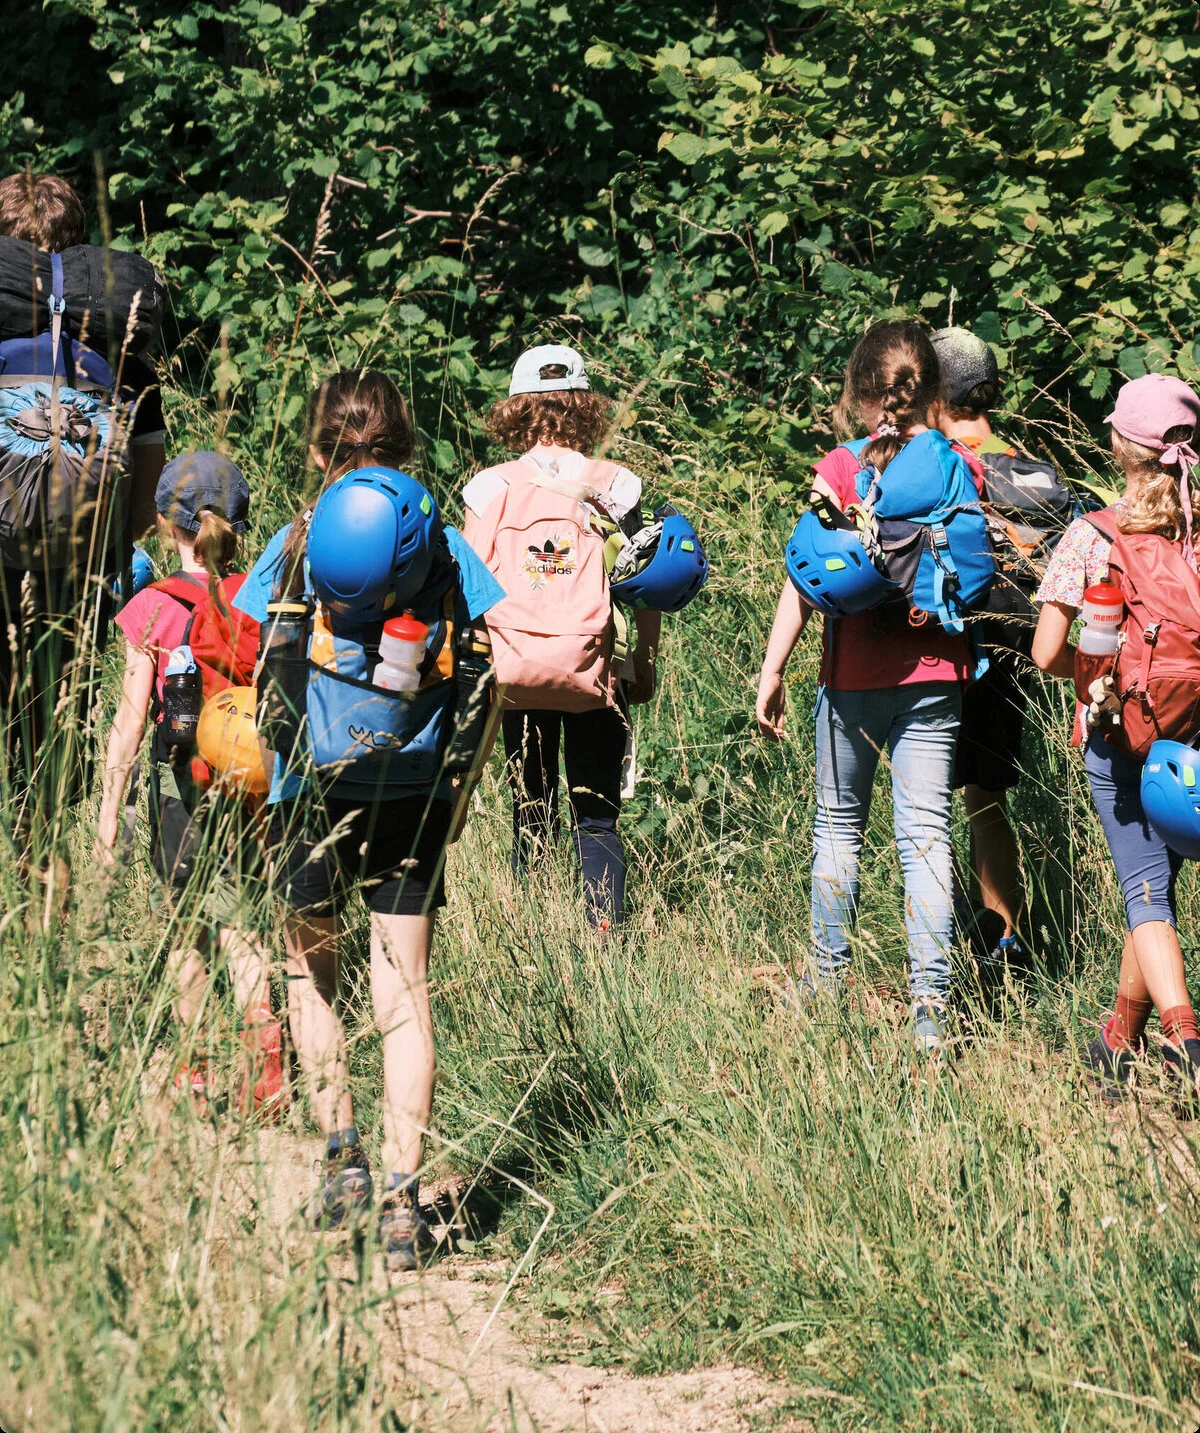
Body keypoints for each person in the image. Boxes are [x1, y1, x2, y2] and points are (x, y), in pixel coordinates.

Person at [232, 369, 504, 1269]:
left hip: (306, 792)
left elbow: (260, 668)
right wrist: (456, 797)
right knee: (404, 989)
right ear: (405, 445)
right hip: (415, 791)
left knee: (311, 976)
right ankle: (401, 1201)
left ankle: (341, 1160)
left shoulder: (295, 541)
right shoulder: (446, 547)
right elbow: (489, 676)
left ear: (320, 449)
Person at [755, 320, 987, 1051]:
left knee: (837, 828)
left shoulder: (842, 466)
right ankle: (932, 1010)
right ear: (934, 391)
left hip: (852, 678)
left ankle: (826, 987)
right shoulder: (958, 465)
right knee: (927, 836)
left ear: (860, 395)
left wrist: (773, 669)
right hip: (937, 674)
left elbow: (802, 576)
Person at [96, 452, 283, 1116]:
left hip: (179, 785)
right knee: (244, 926)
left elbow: (128, 722)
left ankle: (194, 1074)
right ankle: (267, 1068)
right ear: (239, 525)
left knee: (189, 930)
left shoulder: (150, 605)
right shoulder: (259, 599)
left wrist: (110, 814)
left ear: (162, 523)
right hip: (248, 779)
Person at [0, 172, 166, 918]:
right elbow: (148, 497)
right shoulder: (125, 352)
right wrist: (97, 542)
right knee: (50, 723)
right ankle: (43, 879)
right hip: (79, 570)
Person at [1032, 372, 1200, 1095]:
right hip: (1191, 740)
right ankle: (1119, 1038)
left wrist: (1103, 674)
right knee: (1156, 884)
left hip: (1117, 732)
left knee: (1144, 892)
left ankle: (1187, 1042)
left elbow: (1045, 653)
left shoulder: (1093, 534)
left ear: (1118, 446)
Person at [461, 344, 661, 929]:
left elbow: (469, 591)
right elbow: (646, 582)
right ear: (584, 405)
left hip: (515, 669)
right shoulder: (617, 485)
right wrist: (644, 659)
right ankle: (605, 937)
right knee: (597, 816)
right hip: (597, 669)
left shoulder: (489, 488)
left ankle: (532, 941)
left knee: (531, 808)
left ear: (516, 408)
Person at [929, 326, 1074, 980]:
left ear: (935, 395)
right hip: (1016, 650)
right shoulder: (1026, 465)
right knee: (987, 801)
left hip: (950, 649)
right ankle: (1004, 943)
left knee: (926, 805)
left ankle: (941, 948)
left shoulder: (937, 463)